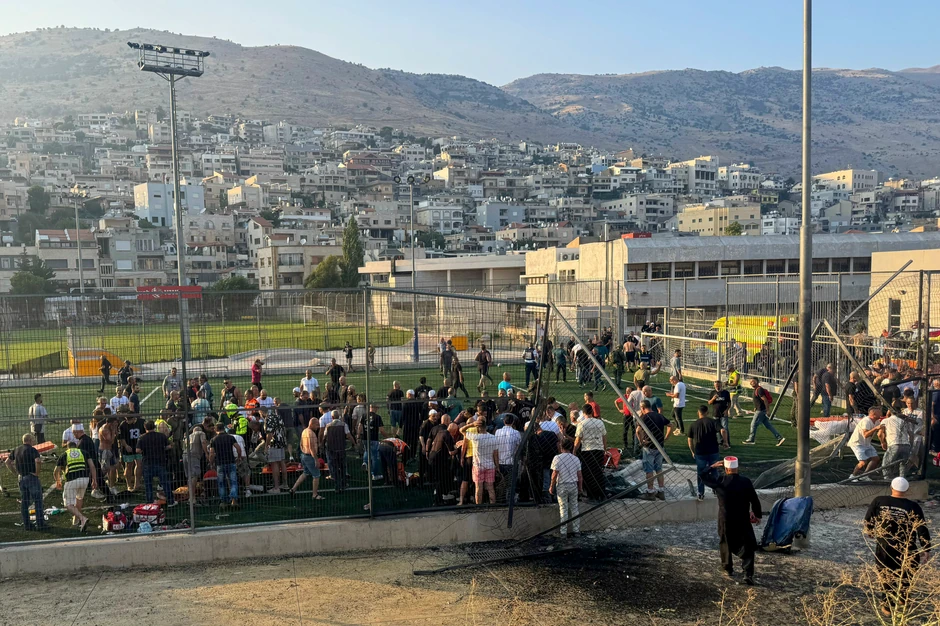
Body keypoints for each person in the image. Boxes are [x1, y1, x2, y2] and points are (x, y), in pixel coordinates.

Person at [864, 477, 932, 617]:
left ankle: (888, 606)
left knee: (887, 576)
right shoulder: (913, 507)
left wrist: (870, 531)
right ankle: (903, 597)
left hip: (885, 546)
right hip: (907, 546)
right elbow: (921, 529)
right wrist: (926, 548)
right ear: (907, 490)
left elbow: (869, 518)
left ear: (891, 487)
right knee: (907, 573)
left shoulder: (879, 500)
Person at [700, 456, 762, 585]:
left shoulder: (720, 482)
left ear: (726, 469)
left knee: (725, 541)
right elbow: (754, 499)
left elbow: (703, 476)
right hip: (742, 517)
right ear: (737, 468)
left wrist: (711, 467)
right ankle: (748, 572)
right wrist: (757, 515)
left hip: (725, 517)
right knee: (747, 543)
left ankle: (727, 567)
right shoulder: (746, 482)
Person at [54, 438, 98, 532]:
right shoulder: (84, 452)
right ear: (76, 446)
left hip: (72, 480)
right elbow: (92, 466)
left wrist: (58, 481)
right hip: (85, 479)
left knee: (68, 504)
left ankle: (82, 518)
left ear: (67, 448)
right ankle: (77, 519)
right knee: (79, 498)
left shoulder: (64, 454)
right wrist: (94, 480)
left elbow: (56, 471)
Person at [5, 434, 45, 531]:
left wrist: (16, 472)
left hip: (21, 477)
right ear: (30, 440)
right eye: (33, 439)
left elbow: (7, 462)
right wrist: (37, 472)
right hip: (31, 477)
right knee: (38, 501)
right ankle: (40, 524)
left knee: (24, 502)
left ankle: (27, 524)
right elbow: (38, 461)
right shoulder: (32, 450)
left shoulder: (17, 449)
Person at [688, 405, 729, 500]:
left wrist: (692, 451)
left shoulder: (693, 424)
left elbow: (690, 440)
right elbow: (723, 430)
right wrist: (725, 442)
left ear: (698, 412)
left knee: (701, 473)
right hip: (713, 451)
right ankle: (716, 489)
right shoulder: (713, 422)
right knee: (714, 471)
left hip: (700, 452)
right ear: (707, 412)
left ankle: (701, 493)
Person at [637, 400, 672, 501]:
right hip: (660, 446)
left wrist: (641, 441)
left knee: (649, 470)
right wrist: (666, 437)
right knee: (659, 469)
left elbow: (638, 430)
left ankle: (650, 492)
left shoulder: (644, 417)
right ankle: (661, 491)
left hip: (649, 447)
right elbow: (670, 425)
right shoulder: (659, 415)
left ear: (643, 408)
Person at [460, 416, 500, 505]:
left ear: (478, 427)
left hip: (478, 466)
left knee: (478, 488)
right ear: (486, 426)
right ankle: (493, 505)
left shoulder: (475, 438)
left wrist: (471, 424)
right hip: (490, 466)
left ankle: (479, 507)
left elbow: (461, 430)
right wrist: (497, 466)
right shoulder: (493, 438)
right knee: (490, 488)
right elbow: (495, 454)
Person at [549, 438, 583, 539]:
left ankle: (563, 532)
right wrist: (580, 487)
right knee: (574, 507)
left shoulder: (557, 458)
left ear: (561, 446)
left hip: (562, 485)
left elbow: (555, 474)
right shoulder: (575, 459)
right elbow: (580, 476)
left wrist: (552, 486)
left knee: (563, 508)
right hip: (573, 484)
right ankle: (576, 530)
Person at [136, 420, 176, 507]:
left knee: (148, 484)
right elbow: (168, 446)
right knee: (165, 483)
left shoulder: (142, 438)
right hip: (160, 462)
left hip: (148, 462)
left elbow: (138, 450)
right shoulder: (161, 436)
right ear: (154, 427)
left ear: (145, 427)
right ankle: (170, 501)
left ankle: (150, 501)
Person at [574, 403, 606, 501]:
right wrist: (604, 448)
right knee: (598, 472)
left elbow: (578, 439)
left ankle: (591, 494)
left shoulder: (582, 424)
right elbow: (604, 437)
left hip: (588, 450)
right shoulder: (600, 422)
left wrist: (574, 451)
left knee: (588, 473)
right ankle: (601, 493)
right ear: (592, 412)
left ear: (583, 413)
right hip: (599, 450)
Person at [741, 378, 785, 447]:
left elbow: (765, 400)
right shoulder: (756, 390)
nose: (751, 383)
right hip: (760, 409)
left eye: (753, 381)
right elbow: (758, 400)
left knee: (753, 424)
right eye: (751, 382)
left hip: (761, 410)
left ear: (757, 382)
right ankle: (779, 437)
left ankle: (751, 439)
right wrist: (756, 407)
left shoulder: (759, 390)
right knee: (768, 425)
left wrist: (767, 410)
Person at [209, 426, 242, 509]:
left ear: (216, 430)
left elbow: (212, 453)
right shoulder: (230, 437)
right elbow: (238, 448)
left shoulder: (214, 439)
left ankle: (223, 502)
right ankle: (234, 500)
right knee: (233, 482)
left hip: (220, 463)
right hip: (231, 461)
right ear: (224, 429)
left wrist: (211, 462)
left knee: (221, 483)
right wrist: (239, 457)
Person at [879, 407, 913, 480]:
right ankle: (902, 480)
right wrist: (911, 445)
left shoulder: (885, 421)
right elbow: (911, 434)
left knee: (886, 465)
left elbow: (880, 434)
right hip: (906, 445)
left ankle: (887, 480)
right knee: (903, 464)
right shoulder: (906, 421)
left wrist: (882, 442)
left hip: (894, 444)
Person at [324, 416, 355, 494]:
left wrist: (321, 443)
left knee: (334, 468)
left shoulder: (328, 425)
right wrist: (354, 443)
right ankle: (344, 484)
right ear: (339, 417)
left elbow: (324, 436)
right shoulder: (344, 425)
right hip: (341, 449)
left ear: (332, 417)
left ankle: (337, 487)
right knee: (342, 467)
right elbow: (348, 435)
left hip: (331, 449)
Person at [850, 407, 883, 477]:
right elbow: (865, 435)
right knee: (863, 462)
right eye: (879, 412)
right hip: (857, 443)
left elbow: (879, 432)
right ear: (874, 414)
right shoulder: (866, 421)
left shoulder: (877, 421)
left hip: (866, 444)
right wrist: (875, 428)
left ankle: (865, 475)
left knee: (876, 459)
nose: (881, 413)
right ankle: (853, 476)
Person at [264, 404, 288, 493]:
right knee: (282, 462)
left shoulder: (268, 419)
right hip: (282, 441)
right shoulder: (278, 417)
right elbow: (284, 429)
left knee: (274, 464)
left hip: (274, 443)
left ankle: (276, 487)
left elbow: (269, 434)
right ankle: (285, 484)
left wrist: (266, 446)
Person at [119, 413, 144, 492]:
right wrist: (126, 446)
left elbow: (145, 433)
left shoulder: (141, 422)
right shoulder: (123, 425)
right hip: (128, 447)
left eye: (129, 420)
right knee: (129, 465)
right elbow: (121, 437)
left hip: (138, 447)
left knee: (139, 464)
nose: (127, 421)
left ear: (134, 418)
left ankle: (137, 483)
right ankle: (129, 485)